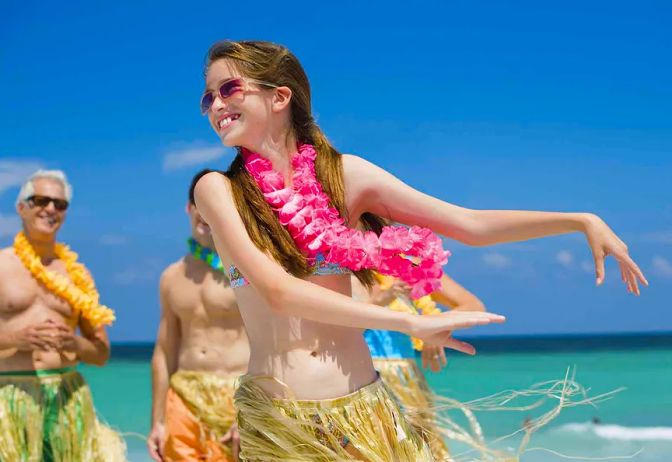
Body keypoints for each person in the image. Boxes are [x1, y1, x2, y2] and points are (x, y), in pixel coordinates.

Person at [193, 40, 647, 461]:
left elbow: (470, 224)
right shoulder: (219, 190)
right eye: (207, 97)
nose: (216, 105)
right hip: (280, 421)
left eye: (228, 88)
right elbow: (277, 291)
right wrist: (411, 322)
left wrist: (578, 220)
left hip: (365, 411)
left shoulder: (346, 176)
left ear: (279, 97)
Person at [0, 169, 125, 461]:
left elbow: (101, 353)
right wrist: (15, 338)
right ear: (21, 207)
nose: (50, 209)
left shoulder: (78, 275)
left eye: (60, 204)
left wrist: (73, 343)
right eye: (40, 200)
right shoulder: (1, 266)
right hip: (9, 397)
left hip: (67, 400)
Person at [149, 169, 250, 461]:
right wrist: (158, 420)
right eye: (199, 204)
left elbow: (271, 342)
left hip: (235, 394)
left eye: (214, 205)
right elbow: (164, 351)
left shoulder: (248, 272)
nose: (205, 213)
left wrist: (251, 408)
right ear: (188, 208)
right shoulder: (171, 276)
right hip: (183, 399)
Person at [356, 273, 486, 460]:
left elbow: (473, 306)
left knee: (418, 449)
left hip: (405, 378)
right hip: (363, 376)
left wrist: (436, 326)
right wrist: (378, 303)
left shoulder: (410, 263)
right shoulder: (345, 259)